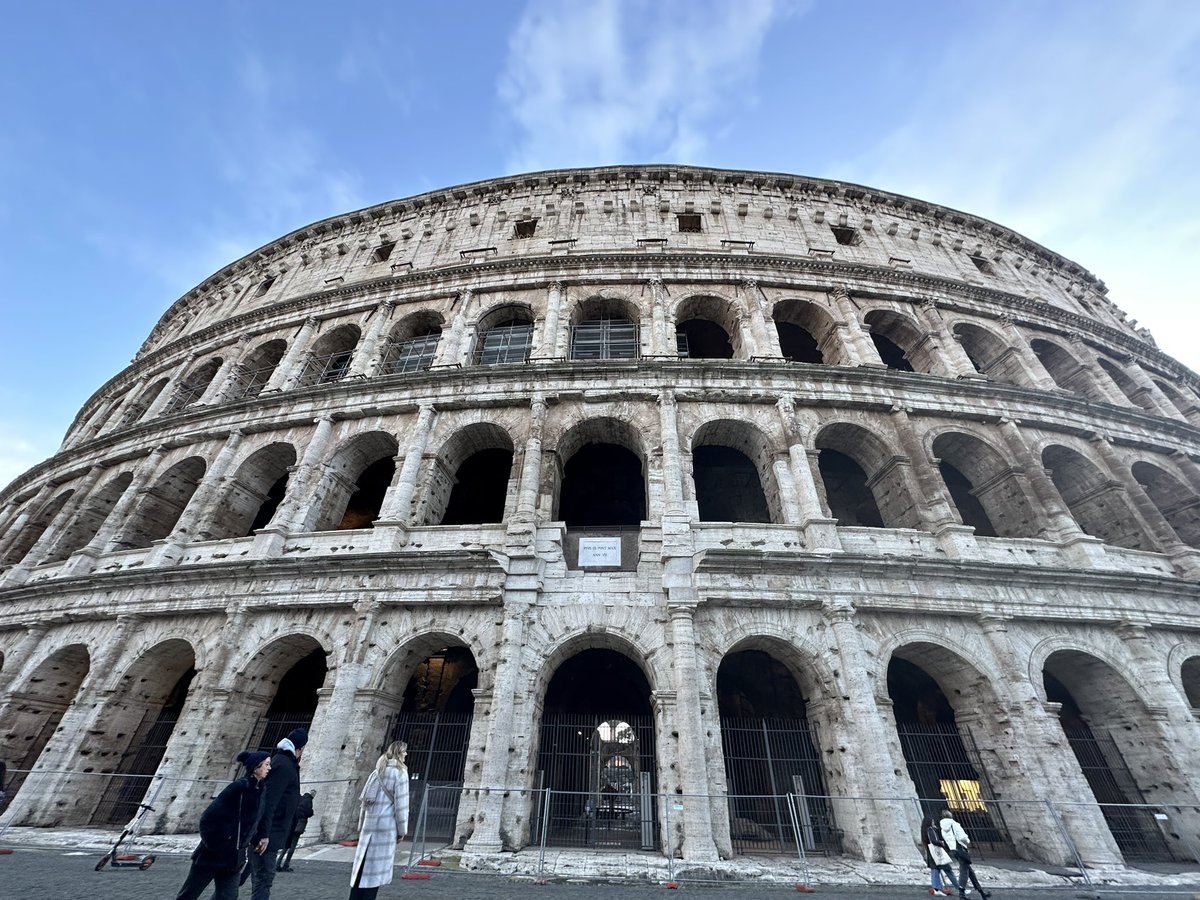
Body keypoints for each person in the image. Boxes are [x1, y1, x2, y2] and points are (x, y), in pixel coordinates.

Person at [174, 750, 271, 900]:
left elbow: (255, 818)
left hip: (235, 856)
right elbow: (208, 818)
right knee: (190, 893)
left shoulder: (261, 789)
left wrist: (260, 836)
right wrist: (218, 845)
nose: (269, 768)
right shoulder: (239, 787)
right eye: (266, 764)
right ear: (255, 767)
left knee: (228, 896)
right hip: (214, 854)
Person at [249, 727, 309, 900]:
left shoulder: (284, 762)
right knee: (263, 880)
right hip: (268, 834)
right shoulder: (284, 765)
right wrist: (264, 834)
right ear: (299, 748)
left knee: (254, 877)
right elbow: (269, 801)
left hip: (270, 832)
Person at [348, 740, 410, 900]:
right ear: (399, 753)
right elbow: (401, 806)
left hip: (369, 826)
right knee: (374, 875)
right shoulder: (400, 773)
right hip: (385, 828)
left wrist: (361, 826)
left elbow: (365, 803)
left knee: (361, 871)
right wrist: (402, 831)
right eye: (404, 752)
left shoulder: (376, 772)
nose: (406, 754)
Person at [939, 808, 991, 900]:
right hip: (960, 848)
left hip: (953, 849)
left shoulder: (943, 827)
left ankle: (981, 892)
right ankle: (962, 893)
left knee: (969, 871)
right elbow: (962, 837)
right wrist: (967, 841)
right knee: (964, 871)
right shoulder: (954, 824)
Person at [277, 789, 316, 872]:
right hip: (298, 826)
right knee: (292, 846)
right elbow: (308, 812)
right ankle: (286, 865)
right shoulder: (309, 801)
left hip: (291, 824)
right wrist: (311, 812)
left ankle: (278, 863)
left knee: (286, 845)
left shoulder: (299, 799)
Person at [921, 811, 960, 896]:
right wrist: (941, 843)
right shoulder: (930, 830)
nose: (933, 822)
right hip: (937, 853)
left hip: (932, 853)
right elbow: (934, 841)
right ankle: (959, 887)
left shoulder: (926, 831)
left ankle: (936, 888)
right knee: (948, 870)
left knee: (935, 870)